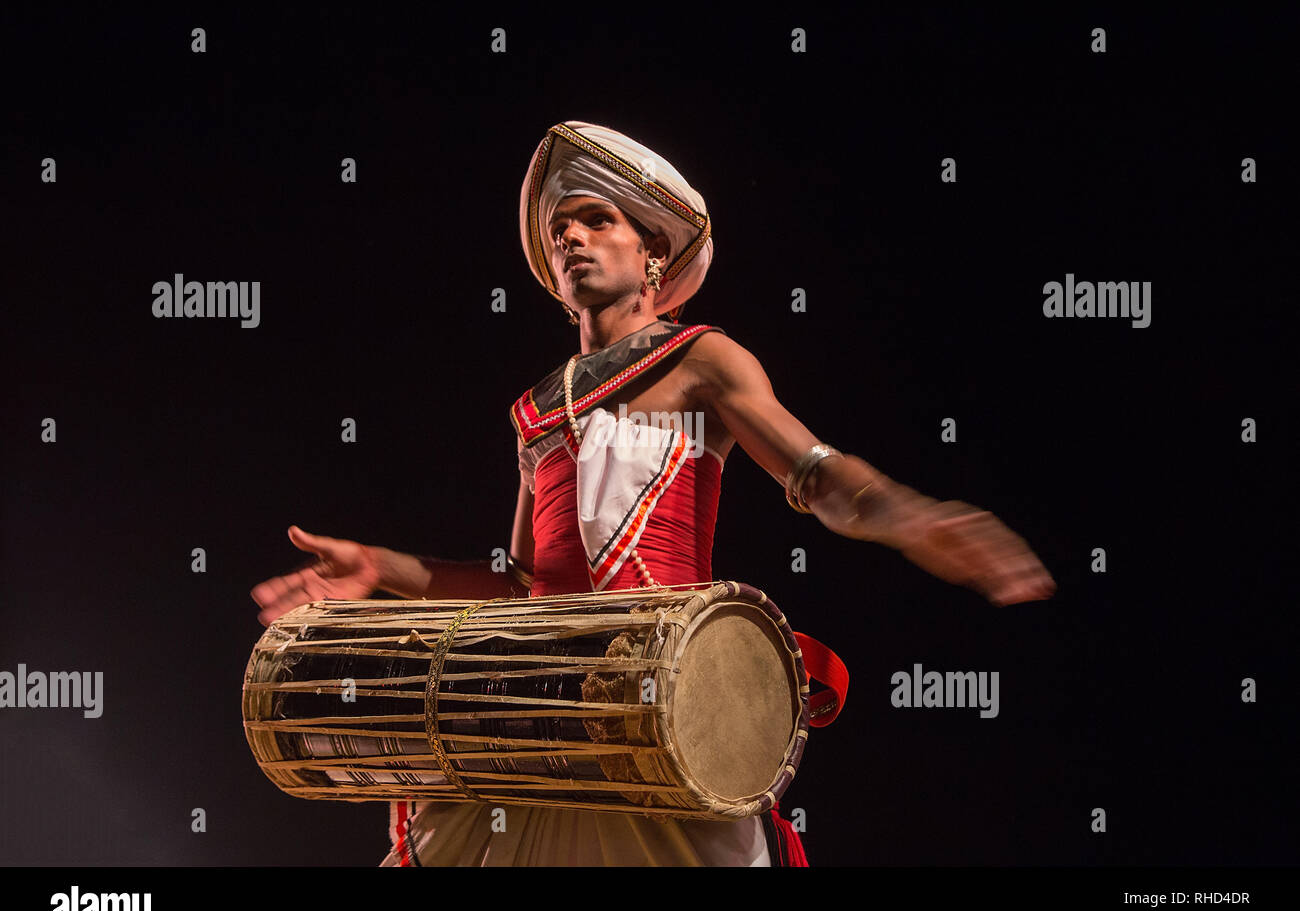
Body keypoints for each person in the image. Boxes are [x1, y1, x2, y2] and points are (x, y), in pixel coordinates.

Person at [250, 120, 1056, 866]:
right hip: (545, 721)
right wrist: (376, 563)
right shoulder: (536, 409)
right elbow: (524, 588)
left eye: (598, 219)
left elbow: (817, 474)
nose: (570, 234)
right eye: (561, 226)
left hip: (657, 709)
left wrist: (910, 517)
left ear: (654, 257)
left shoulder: (704, 361)